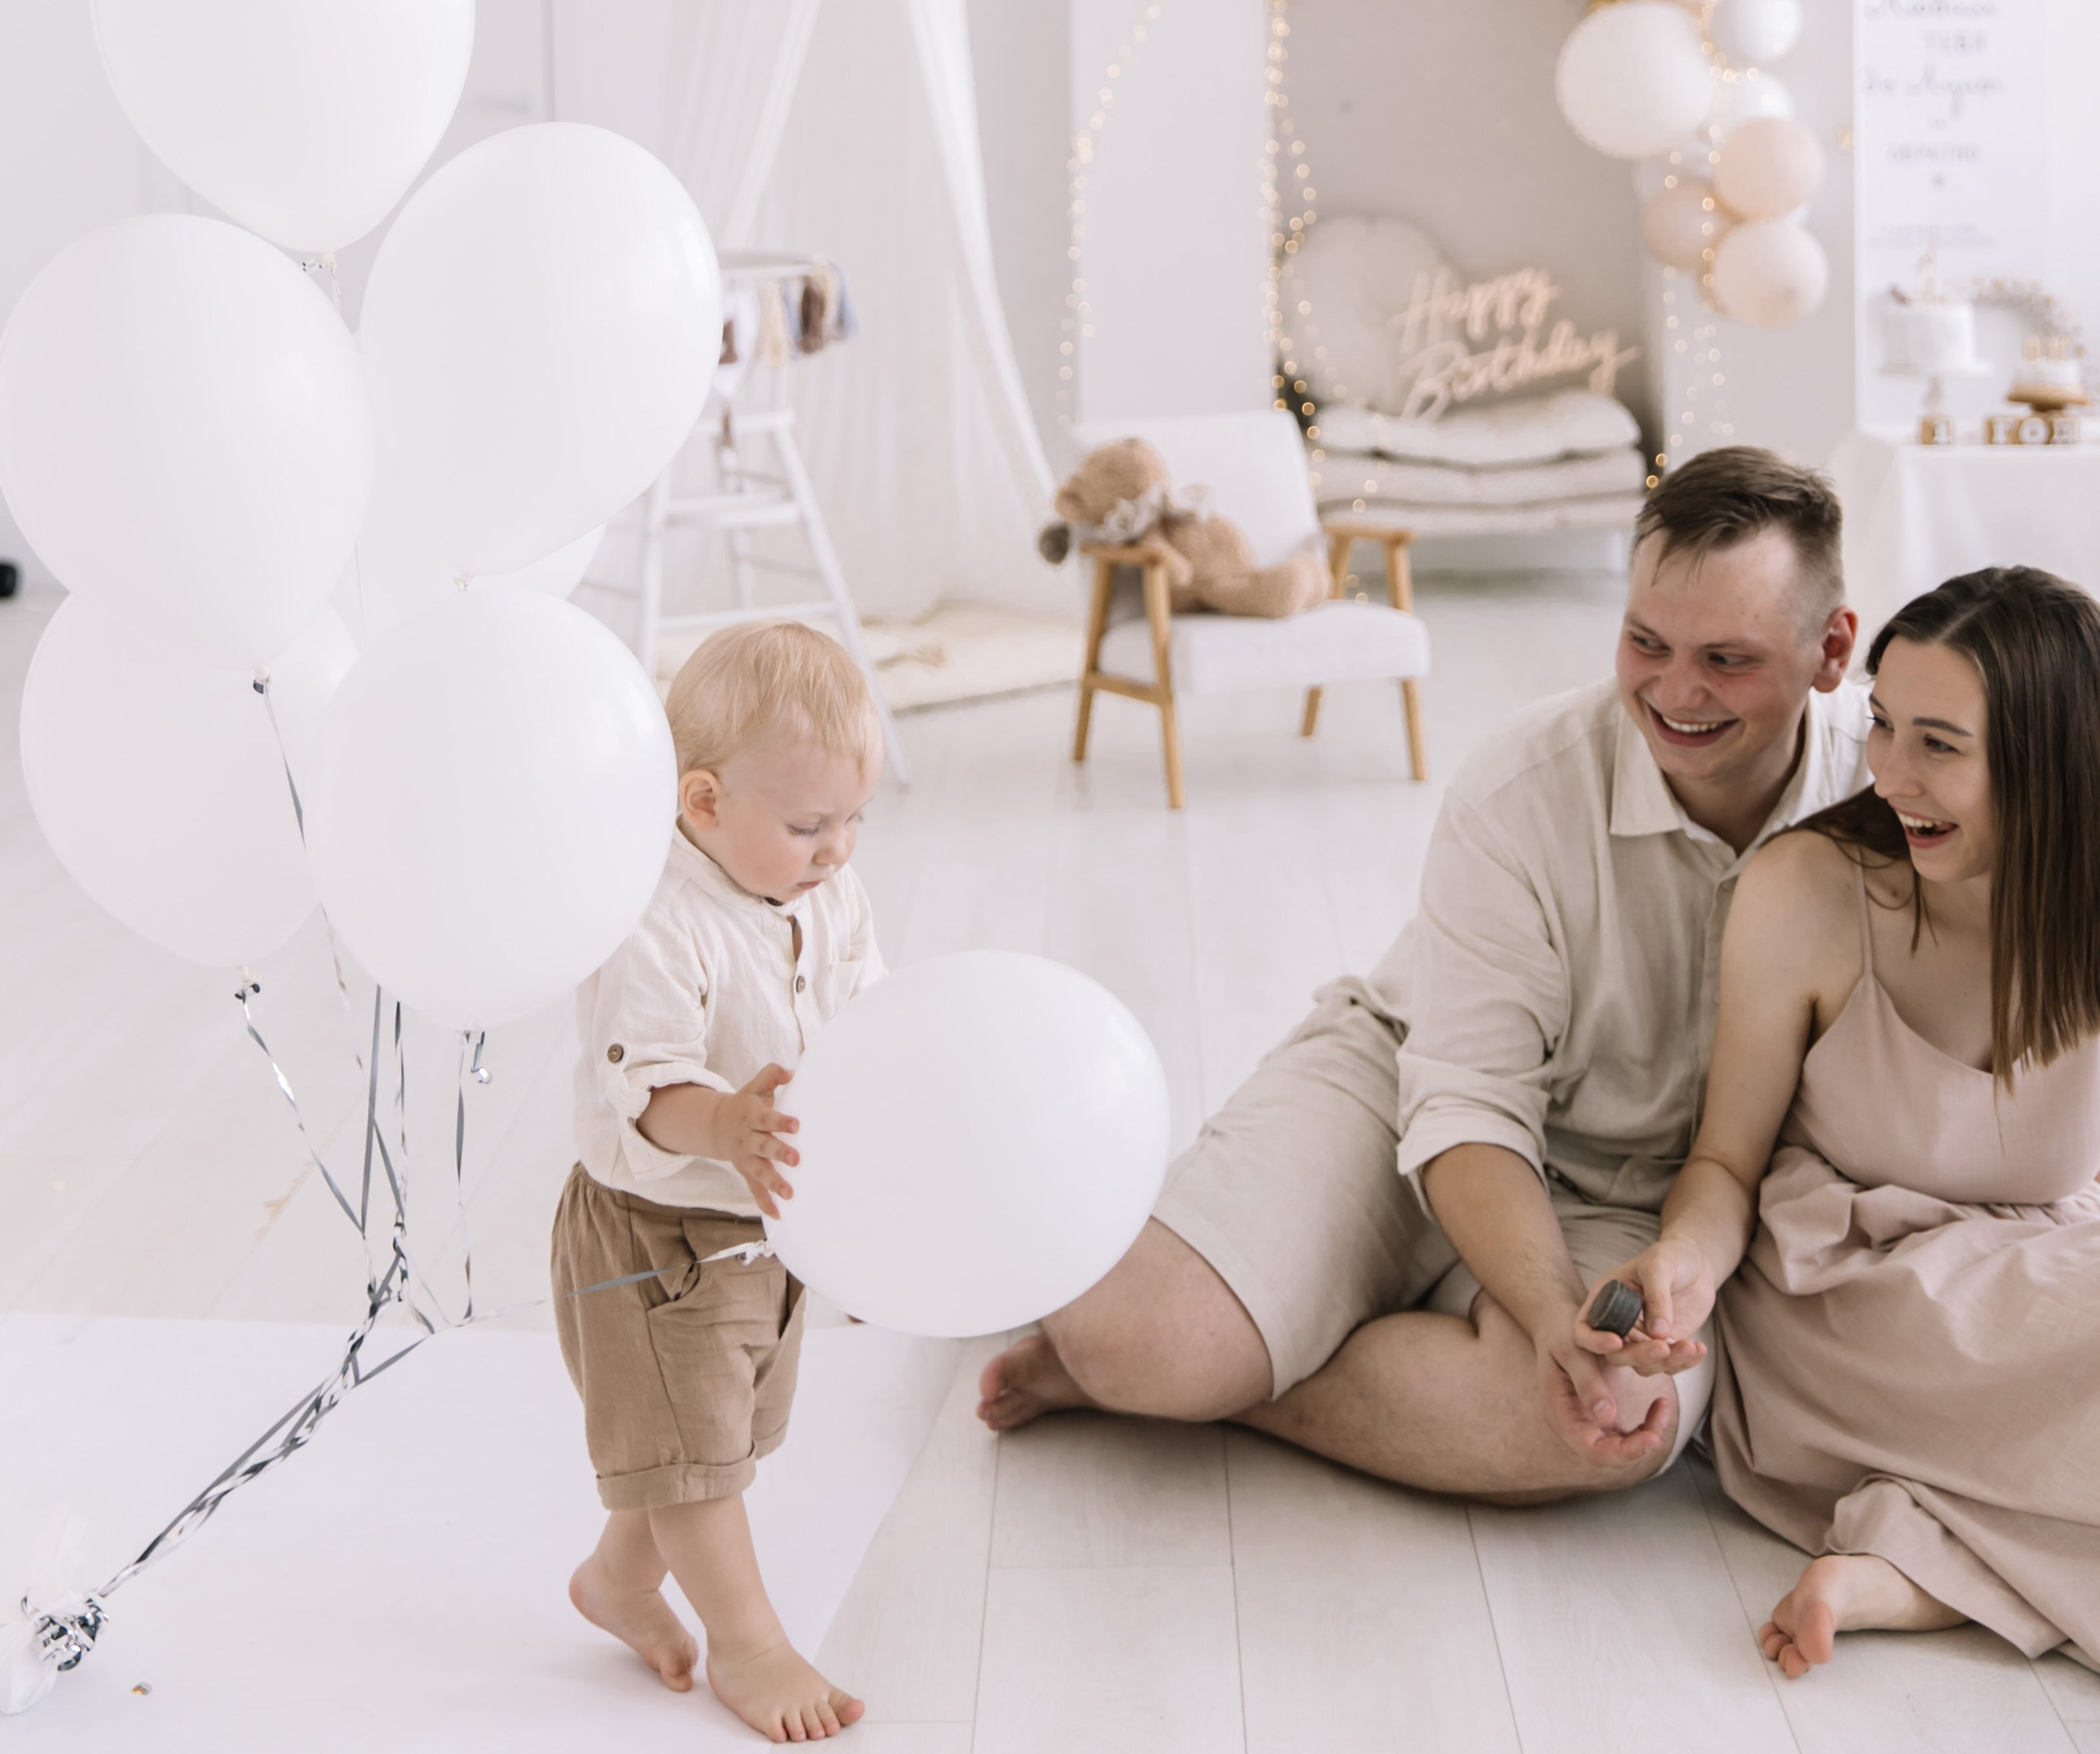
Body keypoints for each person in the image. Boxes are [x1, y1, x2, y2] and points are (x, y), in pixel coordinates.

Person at [981, 445, 1866, 1500]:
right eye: (1644, 641)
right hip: (1409, 1087)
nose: (1675, 691)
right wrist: (1543, 1312)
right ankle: (1176, 1356)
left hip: (1653, 1207)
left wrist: (1591, 1328)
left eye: (1726, 660)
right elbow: (1466, 1096)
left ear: (1830, 647)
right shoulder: (1524, 786)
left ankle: (1239, 1364)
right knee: (1139, 1335)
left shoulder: (1893, 796)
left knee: (1604, 1425)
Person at [1581, 564, 2100, 1676]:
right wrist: (1683, 1263)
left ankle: (1907, 1570)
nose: (1893, 774)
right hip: (1852, 1299)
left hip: (2040, 1276)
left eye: (1940, 744)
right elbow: (1725, 1157)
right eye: (1882, 726)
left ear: (2056, 761)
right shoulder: (1812, 891)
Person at [556, 619, 884, 1743]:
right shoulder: (652, 918)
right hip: (659, 1232)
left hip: (768, 1222)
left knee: (714, 1436)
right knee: (700, 1459)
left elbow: (865, 1011)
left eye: (853, 818)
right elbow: (642, 1090)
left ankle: (616, 1581)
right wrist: (727, 1122)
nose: (838, 847)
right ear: (701, 803)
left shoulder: (827, 891)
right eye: (807, 824)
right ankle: (751, 1645)